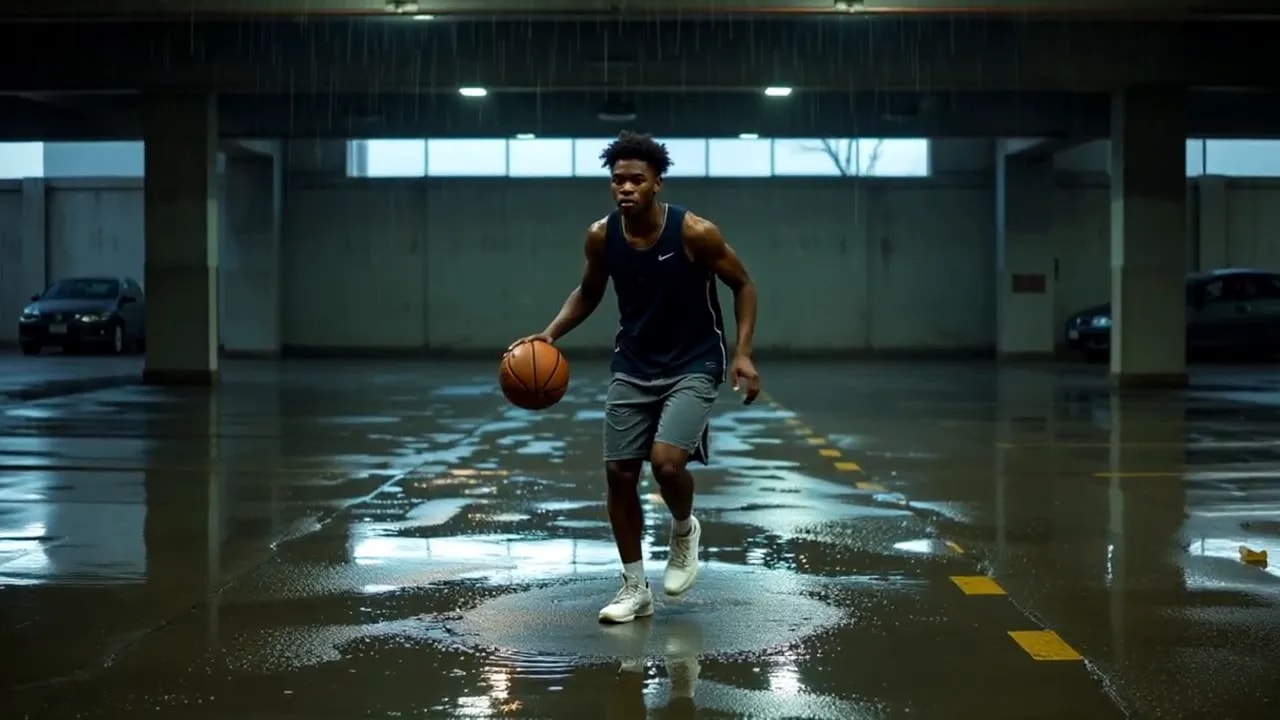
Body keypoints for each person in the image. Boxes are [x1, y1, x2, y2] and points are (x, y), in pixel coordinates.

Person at [510, 131, 761, 624]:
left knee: (667, 465)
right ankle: (633, 588)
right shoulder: (602, 236)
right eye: (617, 180)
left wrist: (744, 353)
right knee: (619, 474)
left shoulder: (695, 233)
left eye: (636, 180)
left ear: (656, 184)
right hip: (634, 364)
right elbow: (588, 292)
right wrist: (547, 335)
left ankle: (685, 528)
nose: (625, 188)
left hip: (694, 360)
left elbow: (743, 285)